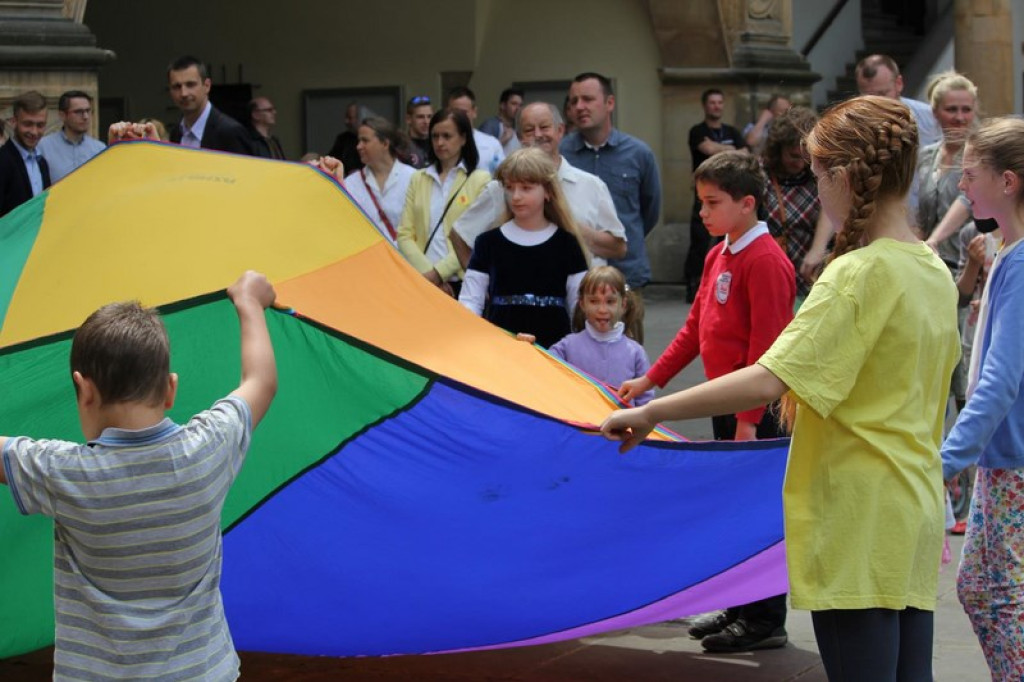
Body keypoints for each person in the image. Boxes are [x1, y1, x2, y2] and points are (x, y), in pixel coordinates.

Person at [604, 96, 961, 681]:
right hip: (910, 508)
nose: (815, 192)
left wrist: (655, 409)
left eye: (818, 176)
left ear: (844, 178)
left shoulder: (859, 271)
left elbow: (771, 375)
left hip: (857, 511)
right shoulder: (930, 266)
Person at [0, 270, 278, 681]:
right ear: (170, 389)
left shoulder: (64, 473)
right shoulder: (208, 449)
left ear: (84, 389)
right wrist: (249, 302)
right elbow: (261, 381)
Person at [619, 150, 794, 653]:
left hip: (754, 410)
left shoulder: (765, 260)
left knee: (756, 511)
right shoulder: (720, 253)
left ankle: (764, 619)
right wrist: (650, 379)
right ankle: (739, 606)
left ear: (747, 204)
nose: (702, 213)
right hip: (727, 406)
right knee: (732, 509)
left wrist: (747, 420)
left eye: (711, 203)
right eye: (700, 203)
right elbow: (695, 329)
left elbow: (767, 350)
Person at [940, 116, 1024, 681]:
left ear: (1009, 181)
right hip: (1002, 460)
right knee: (980, 589)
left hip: (1013, 463)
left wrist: (947, 458)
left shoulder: (1019, 262)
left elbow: (1000, 378)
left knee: (1003, 598)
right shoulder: (1004, 252)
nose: (963, 187)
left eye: (971, 175)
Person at [452, 101, 626, 268]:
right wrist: (479, 283)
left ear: (560, 131)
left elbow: (619, 248)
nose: (537, 135)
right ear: (520, 137)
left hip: (581, 295)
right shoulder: (501, 188)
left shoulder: (592, 185)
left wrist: (576, 230)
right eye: (529, 130)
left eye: (544, 127)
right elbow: (459, 234)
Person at [561, 72, 661, 342]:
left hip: (626, 272)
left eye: (588, 99)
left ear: (609, 103)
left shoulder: (638, 154)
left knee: (627, 359)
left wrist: (624, 238)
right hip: (576, 277)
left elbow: (649, 211)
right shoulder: (561, 154)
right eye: (574, 101)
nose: (579, 106)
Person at [458, 147, 589, 348]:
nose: (516, 196)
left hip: (555, 352)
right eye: (509, 187)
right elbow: (470, 301)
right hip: (501, 350)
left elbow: (578, 307)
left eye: (526, 188)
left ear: (548, 192)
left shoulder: (567, 245)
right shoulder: (487, 243)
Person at [396, 108, 490, 297]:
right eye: (435, 136)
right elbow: (404, 234)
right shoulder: (418, 178)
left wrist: (439, 273)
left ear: (463, 138)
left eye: (447, 136)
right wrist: (430, 275)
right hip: (422, 280)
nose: (440, 142)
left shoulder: (480, 180)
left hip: (462, 282)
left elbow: (477, 239)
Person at [549, 266, 653, 405]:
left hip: (622, 426)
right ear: (582, 304)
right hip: (580, 425)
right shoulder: (566, 347)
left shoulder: (635, 353)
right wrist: (526, 345)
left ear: (623, 305)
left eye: (610, 301)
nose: (602, 310)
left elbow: (645, 402)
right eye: (594, 301)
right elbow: (541, 368)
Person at [761, 106, 831, 307]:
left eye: (806, 156)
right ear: (778, 149)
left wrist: (818, 249)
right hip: (774, 272)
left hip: (813, 273)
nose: (801, 163)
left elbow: (833, 205)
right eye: (793, 156)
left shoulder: (819, 173)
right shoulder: (762, 175)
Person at [685, 88, 746, 303]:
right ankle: (693, 287)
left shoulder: (732, 130)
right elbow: (707, 149)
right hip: (704, 194)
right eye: (712, 102)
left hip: (728, 193)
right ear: (705, 105)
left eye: (720, 102)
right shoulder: (697, 131)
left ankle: (723, 285)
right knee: (700, 240)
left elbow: (746, 154)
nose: (717, 106)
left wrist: (719, 149)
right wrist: (731, 151)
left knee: (727, 239)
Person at [914, 71, 978, 270]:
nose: (960, 118)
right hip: (930, 263)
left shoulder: (981, 153)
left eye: (966, 110)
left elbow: (968, 200)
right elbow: (921, 215)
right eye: (951, 110)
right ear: (935, 112)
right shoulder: (926, 156)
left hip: (967, 263)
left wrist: (934, 239)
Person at [343, 116, 415, 245]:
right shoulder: (351, 184)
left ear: (385, 144)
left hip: (404, 261)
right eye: (359, 141)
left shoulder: (413, 178)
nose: (359, 146)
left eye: (365, 141)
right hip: (368, 261)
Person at [167, 56, 256, 155]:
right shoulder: (176, 133)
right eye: (176, 87)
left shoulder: (230, 132)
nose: (184, 93)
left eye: (190, 85)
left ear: (207, 86)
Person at [855, 54, 941, 148]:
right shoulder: (851, 126)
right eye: (869, 97)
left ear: (899, 84)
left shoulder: (930, 117)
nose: (877, 103)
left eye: (882, 94)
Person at [0, 90, 50, 217]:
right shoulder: (3, 160)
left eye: (40, 125)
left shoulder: (42, 163)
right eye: (28, 124)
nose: (34, 132)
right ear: (13, 121)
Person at [36, 90, 106, 182]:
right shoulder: (43, 147)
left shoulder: (99, 149)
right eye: (78, 112)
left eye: (88, 111)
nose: (85, 117)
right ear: (62, 115)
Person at [447, 86, 505, 173]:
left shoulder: (491, 144)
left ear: (474, 112)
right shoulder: (441, 144)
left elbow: (502, 176)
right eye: (455, 112)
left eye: (463, 112)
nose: (459, 116)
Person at [479, 87, 524, 155]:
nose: (518, 108)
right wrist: (503, 140)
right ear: (502, 105)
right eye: (514, 104)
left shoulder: (518, 129)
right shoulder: (491, 125)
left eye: (520, 105)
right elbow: (482, 153)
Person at [327, 102, 364, 174]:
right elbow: (331, 159)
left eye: (350, 118)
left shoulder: (373, 140)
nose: (346, 121)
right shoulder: (342, 139)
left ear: (360, 119)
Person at [405, 95, 434, 169]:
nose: (426, 122)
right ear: (409, 119)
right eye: (420, 117)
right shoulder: (401, 148)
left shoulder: (438, 145)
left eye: (429, 117)